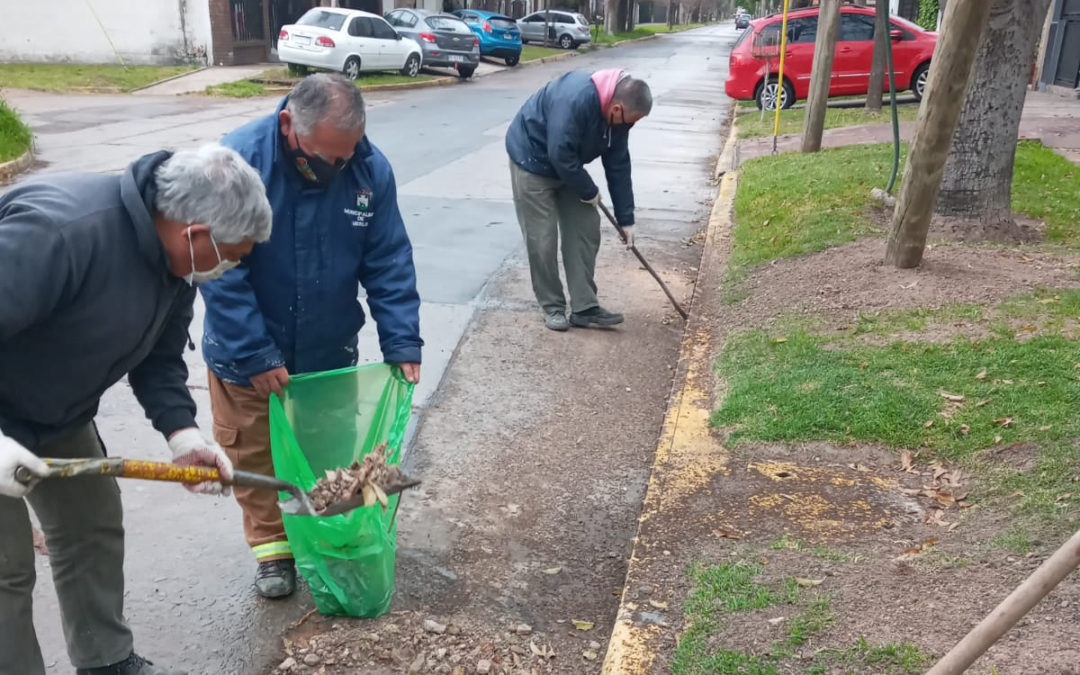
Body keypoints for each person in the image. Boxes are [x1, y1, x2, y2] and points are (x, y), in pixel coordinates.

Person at [0, 144, 273, 675]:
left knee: (91, 525)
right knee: (6, 566)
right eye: (233, 255)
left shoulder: (178, 266)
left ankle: (104, 660)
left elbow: (159, 360)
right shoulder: (59, 234)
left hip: (54, 409)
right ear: (195, 234)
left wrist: (183, 436)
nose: (232, 267)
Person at [201, 72, 423, 599]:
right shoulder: (238, 163)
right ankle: (273, 549)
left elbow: (388, 258)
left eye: (346, 157)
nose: (336, 169)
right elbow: (217, 268)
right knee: (256, 454)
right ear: (288, 125)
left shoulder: (368, 168)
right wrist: (254, 352)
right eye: (326, 159)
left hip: (328, 346)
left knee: (329, 451)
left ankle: (324, 537)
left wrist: (402, 339)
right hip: (249, 353)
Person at [505, 69, 653, 331]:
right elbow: (559, 153)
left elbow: (618, 165)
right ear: (616, 108)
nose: (629, 127)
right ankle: (552, 306)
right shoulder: (575, 99)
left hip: (567, 165)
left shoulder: (619, 120)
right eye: (629, 121)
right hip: (532, 160)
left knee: (585, 225)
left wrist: (626, 219)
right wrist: (589, 190)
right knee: (542, 238)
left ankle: (584, 307)